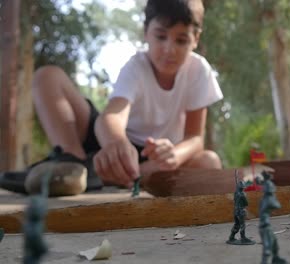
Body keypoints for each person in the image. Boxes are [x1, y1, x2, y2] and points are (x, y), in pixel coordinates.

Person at [0, 0, 223, 195]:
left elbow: (195, 138)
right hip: (111, 146)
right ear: (146, 32)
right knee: (47, 77)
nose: (169, 49)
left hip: (154, 161)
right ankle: (72, 163)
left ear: (195, 39)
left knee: (209, 162)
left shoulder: (198, 70)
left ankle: (102, 177)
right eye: (161, 36)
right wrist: (117, 143)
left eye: (181, 40)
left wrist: (174, 155)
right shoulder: (136, 67)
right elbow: (111, 117)